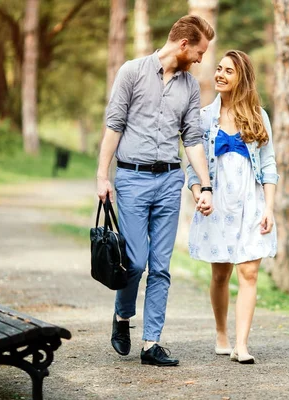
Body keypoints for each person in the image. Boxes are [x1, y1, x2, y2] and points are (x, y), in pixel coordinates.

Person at [96, 15, 215, 367]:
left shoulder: (190, 86)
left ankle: (151, 343)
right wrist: (103, 176)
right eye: (199, 51)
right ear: (183, 44)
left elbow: (191, 138)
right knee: (133, 262)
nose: (200, 59)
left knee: (161, 267)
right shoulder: (131, 72)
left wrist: (204, 185)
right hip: (131, 179)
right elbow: (114, 125)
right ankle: (122, 316)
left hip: (168, 182)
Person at [186, 50, 278, 364]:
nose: (221, 75)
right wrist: (200, 192)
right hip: (218, 204)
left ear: (242, 77)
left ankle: (242, 345)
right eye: (220, 69)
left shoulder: (259, 116)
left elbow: (269, 165)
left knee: (249, 273)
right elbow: (192, 169)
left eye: (229, 71)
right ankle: (222, 334)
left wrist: (269, 207)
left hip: (251, 204)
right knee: (221, 275)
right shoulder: (203, 117)